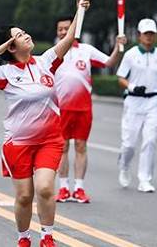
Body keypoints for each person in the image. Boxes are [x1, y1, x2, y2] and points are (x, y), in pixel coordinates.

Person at [0, 0, 90, 247]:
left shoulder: (46, 62)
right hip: (19, 143)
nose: (26, 36)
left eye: (24, 32)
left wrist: (80, 8)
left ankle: (47, 236)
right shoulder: (5, 74)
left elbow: (69, 39)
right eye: (20, 35)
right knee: (24, 196)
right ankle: (24, 238)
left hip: (49, 140)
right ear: (11, 47)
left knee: (45, 188)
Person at [53, 16, 124, 203]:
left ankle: (79, 188)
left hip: (83, 108)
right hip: (61, 109)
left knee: (81, 146)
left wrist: (118, 47)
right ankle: (63, 188)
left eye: (66, 28)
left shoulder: (86, 50)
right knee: (62, 147)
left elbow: (109, 62)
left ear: (73, 30)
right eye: (60, 29)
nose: (63, 32)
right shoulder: (54, 53)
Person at [115, 18, 157, 192]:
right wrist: (132, 86)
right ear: (139, 35)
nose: (149, 37)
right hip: (133, 101)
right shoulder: (131, 55)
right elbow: (121, 77)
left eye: (152, 34)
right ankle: (124, 166)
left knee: (150, 141)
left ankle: (145, 179)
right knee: (129, 144)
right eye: (146, 34)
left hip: (153, 102)